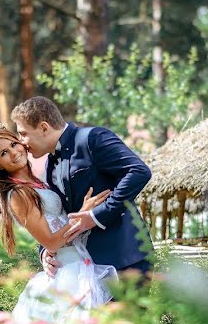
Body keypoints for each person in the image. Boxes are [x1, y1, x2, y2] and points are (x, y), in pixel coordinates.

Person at [0, 127, 117, 324]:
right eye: (3, 153)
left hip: (80, 261)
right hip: (68, 272)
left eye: (13, 144)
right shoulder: (18, 194)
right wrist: (83, 214)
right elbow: (50, 241)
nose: (13, 152)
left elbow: (53, 226)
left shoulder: (39, 181)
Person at [9, 97, 154, 280]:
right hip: (86, 268)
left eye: (23, 133)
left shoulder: (93, 138)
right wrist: (45, 250)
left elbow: (139, 171)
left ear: (44, 127)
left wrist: (96, 215)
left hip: (126, 259)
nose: (21, 142)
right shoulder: (49, 163)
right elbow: (59, 213)